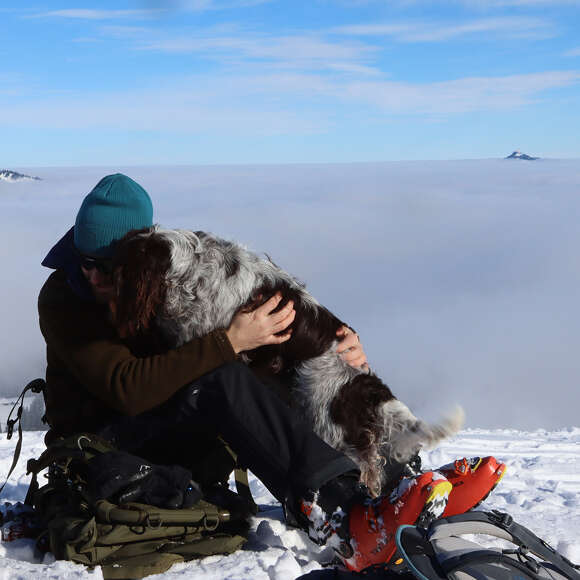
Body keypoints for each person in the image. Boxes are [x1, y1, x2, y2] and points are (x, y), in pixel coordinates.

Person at [38, 173, 502, 572]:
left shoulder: (151, 280)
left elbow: (256, 329)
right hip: (101, 447)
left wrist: (337, 343)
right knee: (220, 374)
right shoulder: (64, 299)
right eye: (87, 263)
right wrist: (230, 342)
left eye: (109, 268)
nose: (95, 278)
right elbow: (128, 390)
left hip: (164, 429)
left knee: (274, 368)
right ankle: (344, 516)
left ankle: (400, 483)